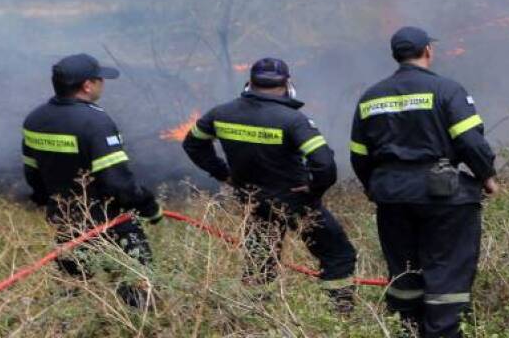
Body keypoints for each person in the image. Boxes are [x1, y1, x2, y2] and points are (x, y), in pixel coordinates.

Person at [350, 27, 498, 338]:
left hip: (391, 196)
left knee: (404, 272)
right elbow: (471, 141)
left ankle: (407, 329)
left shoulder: (370, 97)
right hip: (442, 198)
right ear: (428, 51)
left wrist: (373, 186)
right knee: (447, 274)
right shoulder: (448, 91)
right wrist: (486, 177)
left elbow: (359, 154)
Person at [182, 57, 358, 313]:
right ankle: (341, 315)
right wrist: (313, 189)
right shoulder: (293, 120)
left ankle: (256, 316)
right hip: (297, 203)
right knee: (338, 255)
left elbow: (193, 144)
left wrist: (224, 174)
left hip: (254, 202)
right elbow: (325, 164)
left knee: (259, 264)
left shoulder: (220, 114)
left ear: (249, 83)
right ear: (287, 85)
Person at [22, 53, 163, 308]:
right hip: (111, 224)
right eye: (100, 79)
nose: (102, 84)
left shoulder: (35, 119)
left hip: (67, 223)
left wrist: (53, 204)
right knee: (138, 290)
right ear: (87, 85)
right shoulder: (96, 122)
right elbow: (117, 182)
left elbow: (33, 174)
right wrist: (148, 206)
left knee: (73, 292)